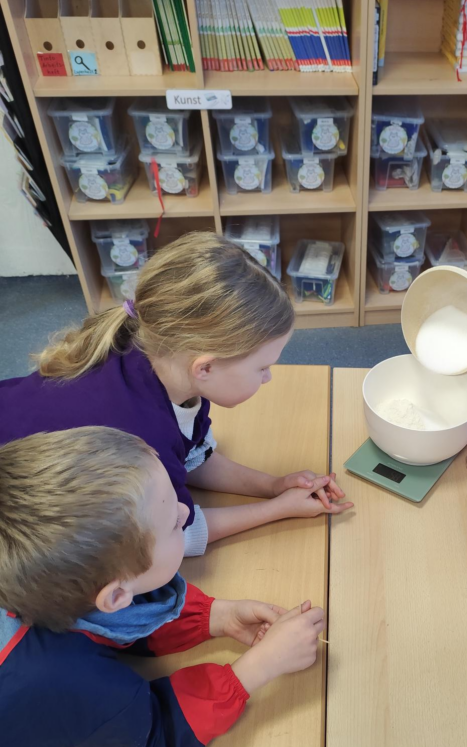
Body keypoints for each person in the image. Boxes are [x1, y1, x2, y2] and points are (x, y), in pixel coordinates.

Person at [0, 426, 326, 747]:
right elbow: (156, 735)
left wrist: (216, 616)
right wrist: (261, 666)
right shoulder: (54, 676)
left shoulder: (44, 582)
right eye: (172, 524)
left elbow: (110, 617)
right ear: (115, 595)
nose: (186, 513)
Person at [0, 232, 352, 557]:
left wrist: (273, 485)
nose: (268, 378)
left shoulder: (164, 361)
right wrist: (277, 510)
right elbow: (173, 538)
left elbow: (191, 456)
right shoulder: (141, 435)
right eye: (262, 368)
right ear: (206, 367)